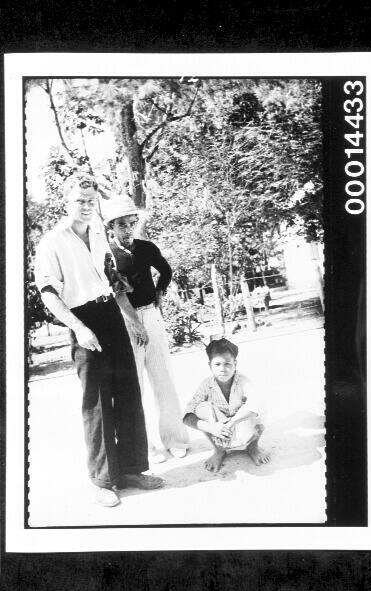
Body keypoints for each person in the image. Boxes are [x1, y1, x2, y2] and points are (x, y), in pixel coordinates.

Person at [34, 172, 164, 507]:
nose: (88, 206)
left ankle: (133, 468)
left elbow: (114, 280)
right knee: (96, 402)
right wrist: (79, 328)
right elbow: (49, 294)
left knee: (128, 392)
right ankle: (104, 480)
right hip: (82, 320)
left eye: (92, 201)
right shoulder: (52, 242)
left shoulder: (98, 234)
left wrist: (133, 321)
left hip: (111, 316)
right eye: (80, 200)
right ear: (66, 201)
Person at [104, 194, 190, 463]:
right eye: (122, 225)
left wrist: (160, 294)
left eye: (131, 223)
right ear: (112, 227)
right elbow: (118, 294)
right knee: (134, 386)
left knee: (163, 378)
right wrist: (133, 323)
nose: (128, 229)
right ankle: (148, 448)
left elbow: (165, 270)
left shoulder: (146, 247)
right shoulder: (108, 255)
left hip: (151, 316)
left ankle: (175, 439)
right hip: (126, 322)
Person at [183, 338, 270, 473]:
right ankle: (219, 451)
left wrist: (231, 423)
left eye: (227, 364)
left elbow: (257, 404)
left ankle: (253, 447)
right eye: (217, 364)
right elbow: (187, 415)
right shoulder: (206, 384)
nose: (223, 369)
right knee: (201, 408)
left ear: (235, 364)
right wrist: (212, 428)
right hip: (219, 429)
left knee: (260, 405)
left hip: (240, 424)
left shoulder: (243, 381)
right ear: (209, 365)